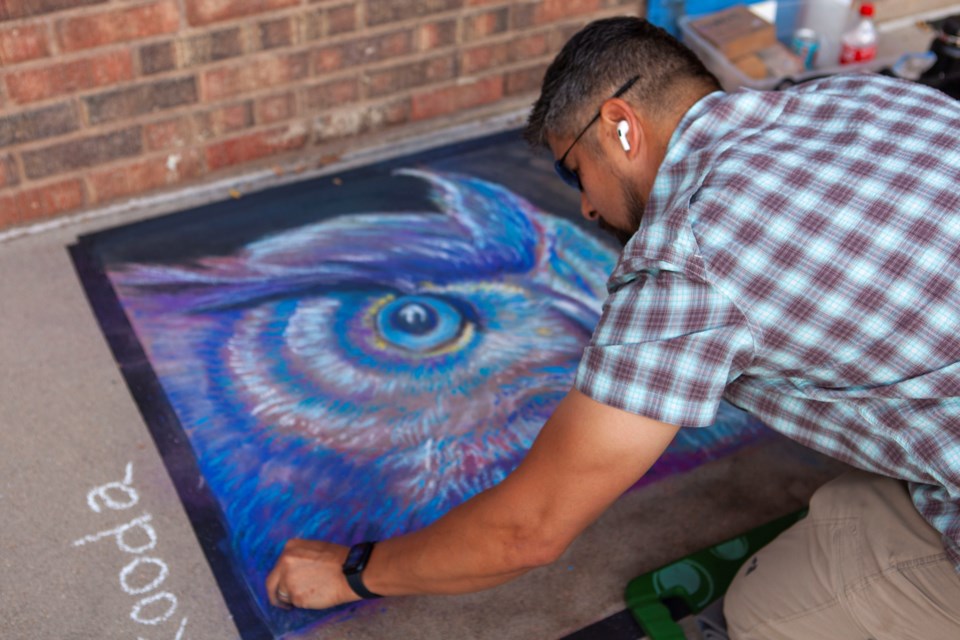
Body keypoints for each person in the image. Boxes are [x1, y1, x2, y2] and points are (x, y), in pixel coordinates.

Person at [267, 16, 960, 638]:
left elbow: (526, 532)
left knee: (769, 608)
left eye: (575, 174)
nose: (589, 211)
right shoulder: (857, 98)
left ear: (620, 127)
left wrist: (355, 572)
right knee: (853, 498)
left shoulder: (690, 256)